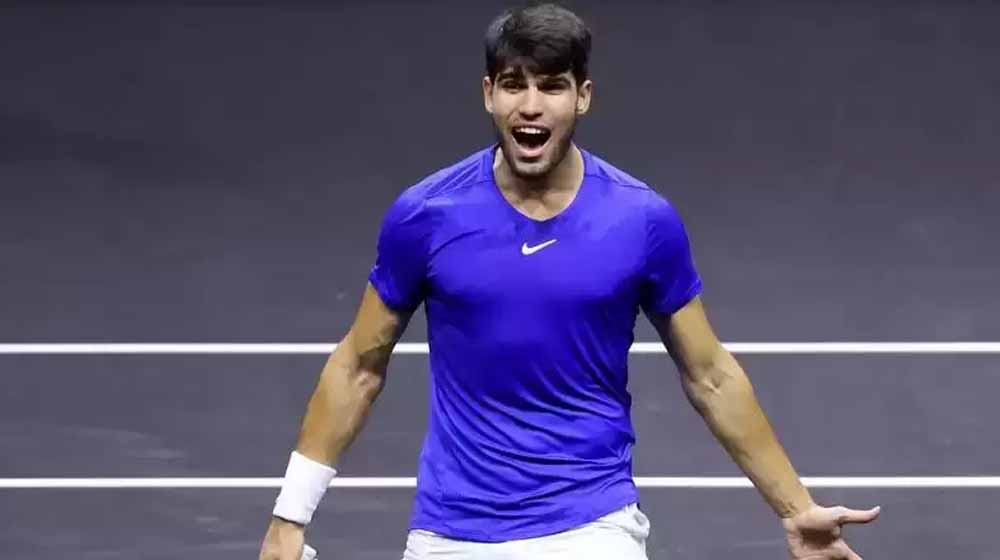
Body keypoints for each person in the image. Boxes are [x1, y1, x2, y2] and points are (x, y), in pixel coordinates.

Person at [258, 4, 880, 560]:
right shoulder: (426, 215)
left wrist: (795, 508)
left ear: (582, 97)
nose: (531, 106)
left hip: (591, 526)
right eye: (514, 85)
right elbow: (358, 367)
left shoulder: (641, 220)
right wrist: (289, 517)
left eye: (552, 86)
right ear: (488, 95)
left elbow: (710, 375)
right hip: (451, 532)